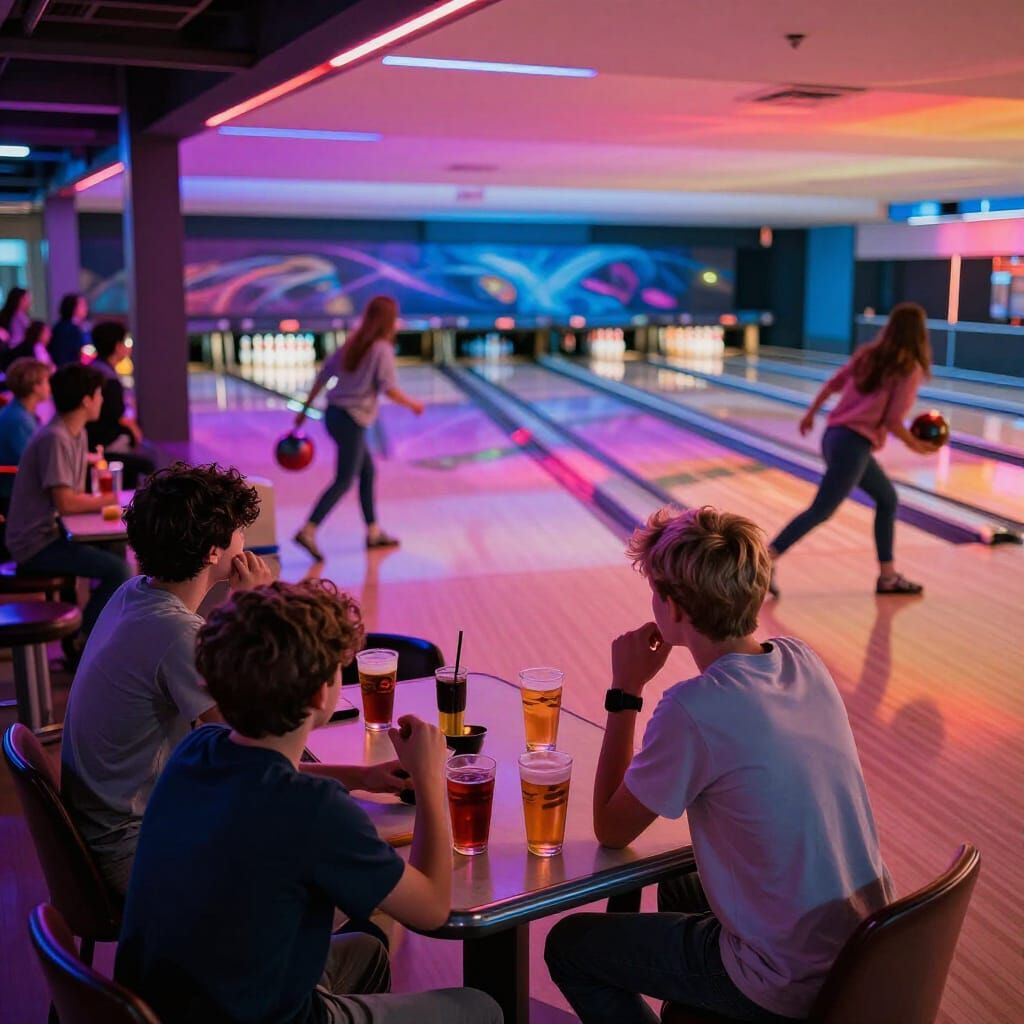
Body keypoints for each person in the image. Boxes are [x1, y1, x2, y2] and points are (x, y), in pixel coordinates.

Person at [545, 505, 893, 1024]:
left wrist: (625, 690)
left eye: (656, 592)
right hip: (865, 953)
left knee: (570, 945)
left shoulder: (694, 708)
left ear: (676, 609)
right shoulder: (803, 660)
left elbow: (611, 830)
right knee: (682, 887)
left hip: (783, 979)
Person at [115, 578, 502, 1024]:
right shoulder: (314, 808)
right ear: (322, 693)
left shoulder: (197, 748)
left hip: (164, 1006)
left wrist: (362, 777)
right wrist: (431, 778)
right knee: (482, 1009)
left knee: (368, 952)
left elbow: (267, 774)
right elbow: (432, 910)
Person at [60, 463, 270, 894]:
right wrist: (251, 609)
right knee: (303, 854)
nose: (245, 540)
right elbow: (254, 741)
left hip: (102, 831)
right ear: (214, 551)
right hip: (133, 851)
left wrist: (360, 777)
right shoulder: (176, 634)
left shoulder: (133, 593)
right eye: (238, 531)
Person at [769, 303, 938, 597]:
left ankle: (887, 577)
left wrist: (810, 414)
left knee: (887, 499)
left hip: (835, 437)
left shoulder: (868, 355)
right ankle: (765, 561)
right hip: (853, 445)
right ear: (920, 334)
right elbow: (892, 420)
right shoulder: (908, 368)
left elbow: (832, 385)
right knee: (822, 509)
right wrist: (918, 446)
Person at [292, 295, 424, 561]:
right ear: (389, 320)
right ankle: (308, 529)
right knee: (344, 479)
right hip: (351, 420)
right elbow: (389, 388)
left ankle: (373, 532)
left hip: (334, 416)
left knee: (367, 472)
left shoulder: (353, 342)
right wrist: (413, 404)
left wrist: (305, 410)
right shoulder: (381, 349)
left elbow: (324, 374)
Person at [4, 363, 131, 639]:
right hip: (34, 545)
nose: (101, 400)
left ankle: (106, 631)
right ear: (86, 400)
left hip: (53, 533)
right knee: (118, 569)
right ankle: (85, 637)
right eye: (99, 394)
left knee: (116, 546)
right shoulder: (55, 438)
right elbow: (66, 504)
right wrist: (109, 500)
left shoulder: (75, 432)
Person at [86, 320, 156, 487]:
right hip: (104, 445)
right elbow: (117, 415)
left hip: (96, 443)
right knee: (148, 462)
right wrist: (134, 431)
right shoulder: (108, 379)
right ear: (117, 346)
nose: (128, 347)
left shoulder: (95, 370)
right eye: (125, 342)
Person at [0, 358, 50, 506]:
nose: (49, 387)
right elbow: (34, 462)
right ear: (35, 387)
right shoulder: (19, 419)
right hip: (13, 494)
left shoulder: (20, 412)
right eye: (46, 381)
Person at [50, 292, 89, 367]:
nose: (86, 308)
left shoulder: (81, 327)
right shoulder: (65, 329)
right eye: (82, 305)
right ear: (73, 308)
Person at [0, 286, 31, 352]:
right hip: (14, 351)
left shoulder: (22, 316)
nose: (29, 302)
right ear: (18, 300)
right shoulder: (16, 316)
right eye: (25, 299)